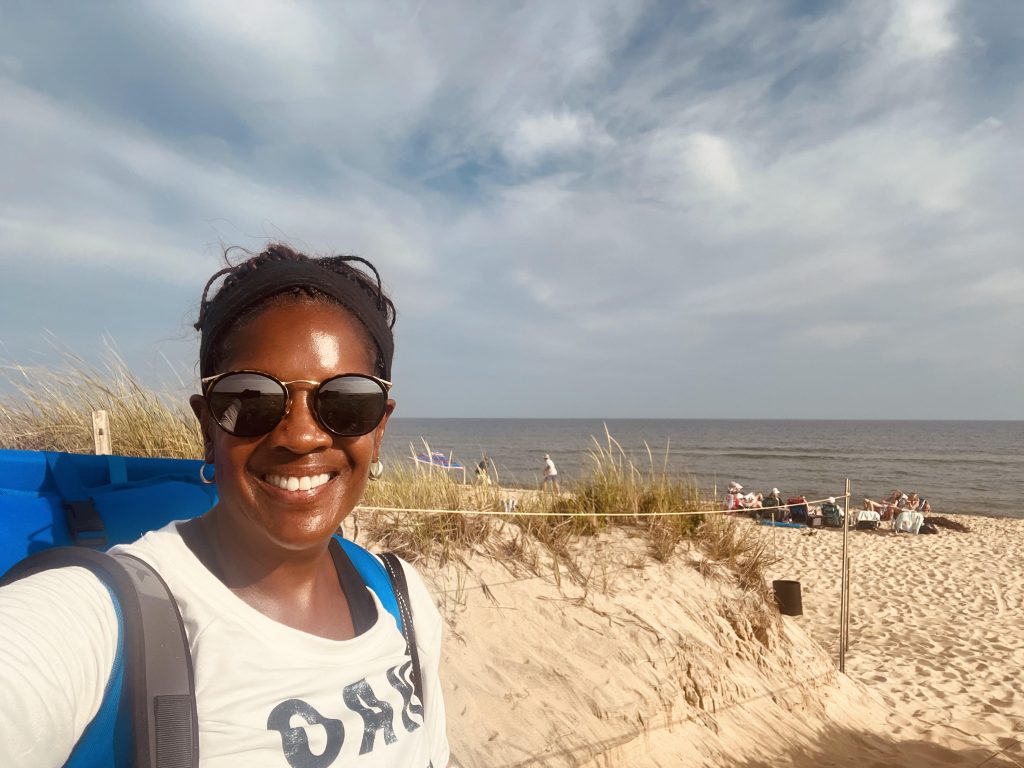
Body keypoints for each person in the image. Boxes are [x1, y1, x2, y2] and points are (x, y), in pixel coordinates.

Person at [0, 244, 451, 766]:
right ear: (207, 427)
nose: (302, 435)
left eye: (347, 402)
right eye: (252, 399)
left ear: (379, 429)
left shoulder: (402, 598)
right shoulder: (101, 617)